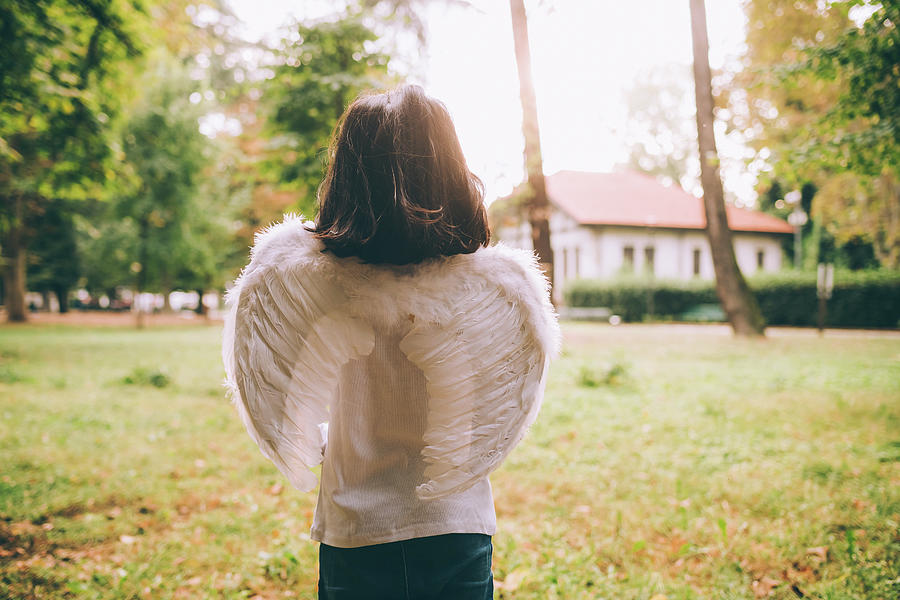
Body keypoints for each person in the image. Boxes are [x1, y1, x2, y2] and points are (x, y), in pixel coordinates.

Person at [222, 84, 559, 600]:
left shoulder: (313, 284)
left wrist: (307, 442)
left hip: (358, 528)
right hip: (456, 527)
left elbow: (264, 369)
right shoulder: (490, 291)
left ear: (346, 180)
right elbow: (507, 399)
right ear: (449, 172)